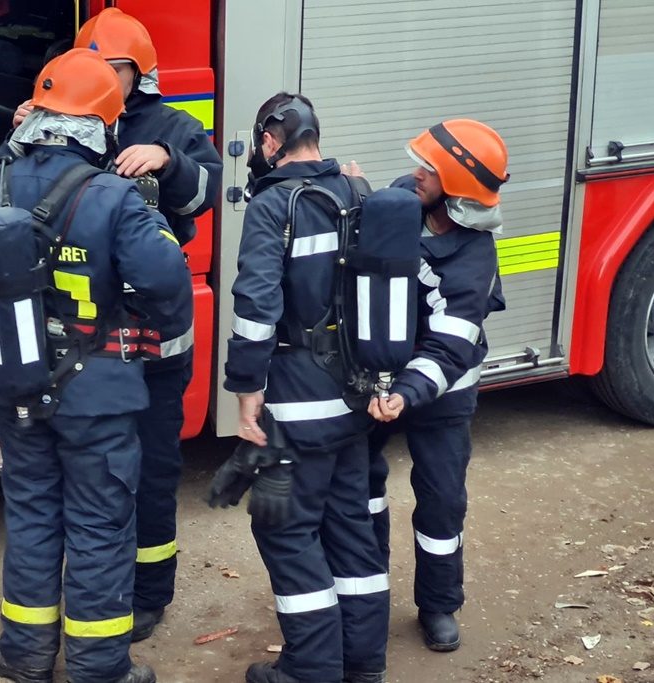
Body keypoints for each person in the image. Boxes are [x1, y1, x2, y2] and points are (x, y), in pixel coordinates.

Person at [0, 48, 192, 683]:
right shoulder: (115, 197)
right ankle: (99, 668)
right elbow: (167, 284)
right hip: (98, 392)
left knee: (32, 514)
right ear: (104, 122)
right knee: (99, 524)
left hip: (18, 382)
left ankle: (25, 653)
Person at [219, 92, 389, 683]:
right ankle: (364, 662)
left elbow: (256, 306)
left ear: (271, 141)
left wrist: (246, 388)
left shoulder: (273, 205)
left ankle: (311, 669)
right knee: (351, 527)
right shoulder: (357, 193)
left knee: (287, 531)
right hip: (356, 397)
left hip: (297, 401)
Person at [71, 7, 222, 641]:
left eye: (119, 68)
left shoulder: (173, 127)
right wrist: (28, 132)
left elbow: (207, 191)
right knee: (97, 468)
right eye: (98, 66)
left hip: (155, 327)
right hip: (93, 329)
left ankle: (151, 592)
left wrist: (168, 159)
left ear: (143, 72)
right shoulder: (67, 118)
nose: (109, 77)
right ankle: (99, 583)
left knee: (155, 467)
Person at [366, 119, 509, 653]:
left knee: (442, 501)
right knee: (361, 488)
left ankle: (439, 605)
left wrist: (404, 393)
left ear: (456, 187)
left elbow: (449, 350)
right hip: (380, 382)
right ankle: (367, 595)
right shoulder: (403, 200)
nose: (416, 174)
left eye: (429, 168)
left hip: (441, 394)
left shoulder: (475, 259)